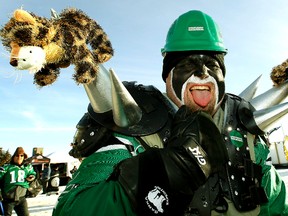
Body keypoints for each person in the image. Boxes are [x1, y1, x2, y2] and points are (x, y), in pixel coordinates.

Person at [53, 10, 288, 216]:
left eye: (212, 64)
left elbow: (277, 206)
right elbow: (71, 208)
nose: (202, 73)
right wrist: (147, 181)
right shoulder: (131, 131)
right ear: (167, 75)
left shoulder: (245, 135)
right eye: (187, 64)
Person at [0, 147, 36, 216]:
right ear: (14, 157)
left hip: (21, 198)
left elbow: (32, 173)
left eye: (21, 156)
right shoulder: (7, 168)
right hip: (8, 199)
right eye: (17, 155)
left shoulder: (27, 167)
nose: (19, 157)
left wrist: (31, 177)